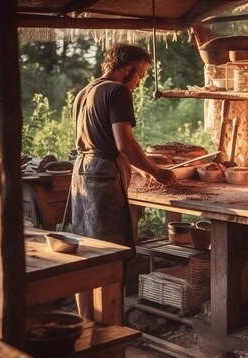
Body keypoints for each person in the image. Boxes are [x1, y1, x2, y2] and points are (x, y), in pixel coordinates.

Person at [71, 43, 176, 319]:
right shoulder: (118, 91)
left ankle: (87, 323)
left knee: (86, 255)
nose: (139, 82)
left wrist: (140, 167)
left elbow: (103, 139)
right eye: (140, 74)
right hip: (103, 177)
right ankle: (108, 327)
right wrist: (157, 171)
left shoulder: (87, 90)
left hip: (81, 172)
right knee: (110, 257)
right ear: (128, 69)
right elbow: (124, 143)